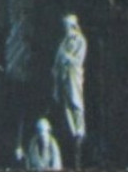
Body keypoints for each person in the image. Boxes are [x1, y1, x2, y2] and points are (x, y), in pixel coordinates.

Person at [53, 14, 87, 166]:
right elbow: (56, 61)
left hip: (74, 75)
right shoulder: (63, 42)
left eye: (68, 26)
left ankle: (79, 131)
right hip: (64, 77)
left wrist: (66, 57)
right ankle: (72, 131)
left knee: (76, 103)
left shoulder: (80, 41)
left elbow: (78, 60)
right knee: (66, 105)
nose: (66, 29)